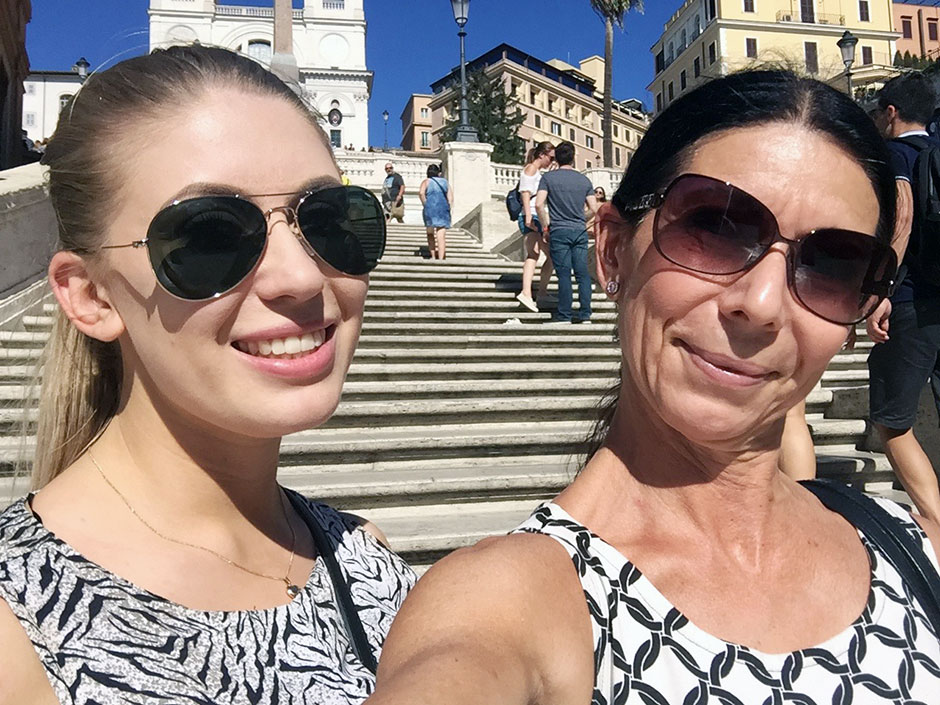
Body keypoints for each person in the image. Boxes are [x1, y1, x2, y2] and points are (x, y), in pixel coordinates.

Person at [366, 71, 940, 705]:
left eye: (833, 264)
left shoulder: (915, 548)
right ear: (612, 251)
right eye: (716, 228)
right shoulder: (510, 601)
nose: (764, 303)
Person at [0, 45, 414, 705]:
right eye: (212, 237)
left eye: (330, 221)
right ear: (90, 296)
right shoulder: (15, 622)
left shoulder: (363, 558)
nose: (302, 276)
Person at [867, 72, 940, 523]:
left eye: (877, 113)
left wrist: (881, 290)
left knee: (891, 421)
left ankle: (935, 523)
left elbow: (904, 215)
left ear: (891, 113)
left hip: (913, 301)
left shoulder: (895, 152)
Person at [536, 141, 599, 324]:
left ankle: (564, 314)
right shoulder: (584, 180)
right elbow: (594, 208)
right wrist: (581, 217)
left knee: (563, 274)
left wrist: (546, 225)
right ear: (573, 157)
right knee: (582, 274)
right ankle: (585, 314)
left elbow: (539, 204)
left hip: (559, 230)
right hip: (579, 230)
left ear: (556, 157)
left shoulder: (548, 179)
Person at [515, 142, 555, 312]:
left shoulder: (536, 171)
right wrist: (528, 216)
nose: (552, 160)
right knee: (534, 253)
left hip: (535, 216)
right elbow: (525, 192)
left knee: (549, 254)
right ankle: (527, 292)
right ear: (542, 155)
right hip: (532, 215)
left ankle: (540, 291)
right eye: (550, 157)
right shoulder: (531, 168)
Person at [418, 163, 453, 260]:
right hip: (442, 209)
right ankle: (441, 258)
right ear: (438, 173)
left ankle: (433, 256)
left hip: (430, 208)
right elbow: (450, 198)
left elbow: (421, 193)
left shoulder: (426, 182)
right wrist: (448, 207)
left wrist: (425, 203)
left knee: (430, 233)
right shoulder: (445, 182)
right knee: (441, 235)